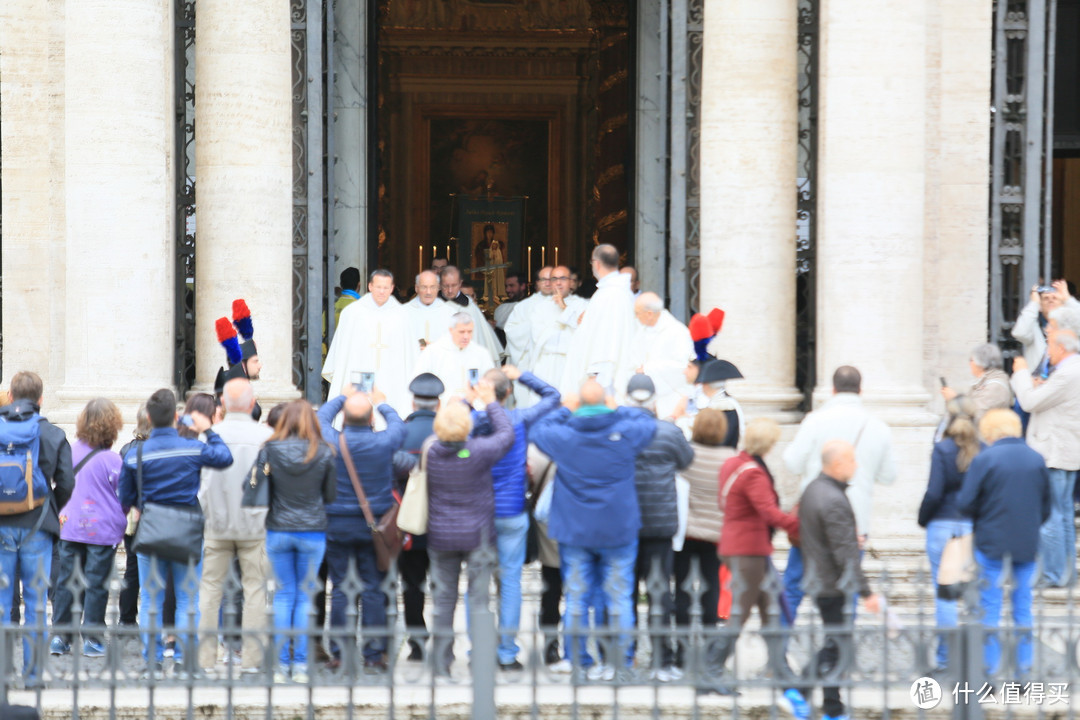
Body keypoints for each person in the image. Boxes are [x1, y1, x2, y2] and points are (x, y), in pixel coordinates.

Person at [531, 378, 656, 680]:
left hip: (575, 529)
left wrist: (565, 409)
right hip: (617, 528)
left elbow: (537, 430)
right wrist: (619, 408)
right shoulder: (624, 432)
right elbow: (648, 421)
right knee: (619, 597)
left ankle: (578, 660)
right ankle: (619, 661)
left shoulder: (566, 435)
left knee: (576, 597)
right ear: (605, 402)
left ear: (580, 406)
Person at [117, 388, 234, 674]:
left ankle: (153, 660)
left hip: (151, 529)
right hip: (188, 528)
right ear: (176, 416)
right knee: (187, 598)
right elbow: (224, 457)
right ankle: (183, 659)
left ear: (148, 417)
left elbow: (124, 499)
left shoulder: (136, 454)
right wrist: (208, 430)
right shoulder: (192, 448)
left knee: (151, 598)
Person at [782, 366, 896, 618]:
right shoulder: (877, 427)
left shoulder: (815, 420)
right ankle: (841, 652)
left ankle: (779, 649)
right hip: (854, 519)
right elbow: (889, 476)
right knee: (849, 585)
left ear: (832, 390)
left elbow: (791, 463)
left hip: (813, 517)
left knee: (792, 586)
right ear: (860, 390)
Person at [468, 365, 561, 670]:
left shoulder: (473, 421)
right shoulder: (519, 420)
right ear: (508, 393)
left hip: (479, 514)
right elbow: (553, 395)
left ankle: (478, 652)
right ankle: (507, 652)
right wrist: (522, 374)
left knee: (478, 585)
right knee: (510, 582)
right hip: (511, 511)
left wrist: (468, 400)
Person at [425, 382, 514, 676]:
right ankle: (482, 657)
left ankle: (441, 663)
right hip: (478, 536)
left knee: (443, 602)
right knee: (479, 600)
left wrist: (459, 401)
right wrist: (489, 402)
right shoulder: (478, 451)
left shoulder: (432, 452)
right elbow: (506, 434)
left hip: (442, 536)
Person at [316, 383, 406, 672]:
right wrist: (381, 402)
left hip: (337, 525)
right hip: (374, 527)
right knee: (373, 589)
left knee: (341, 588)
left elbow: (319, 420)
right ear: (370, 420)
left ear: (343, 418)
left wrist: (342, 396)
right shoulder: (384, 443)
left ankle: (340, 654)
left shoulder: (331, 440)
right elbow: (398, 426)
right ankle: (374, 654)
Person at [715, 418, 802, 706]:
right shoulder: (753, 473)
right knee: (739, 614)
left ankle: (782, 672)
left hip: (744, 547)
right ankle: (710, 671)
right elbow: (769, 513)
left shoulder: (734, 463)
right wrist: (800, 526)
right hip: (748, 551)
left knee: (772, 611)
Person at [957, 409, 1051, 676]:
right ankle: (1023, 670)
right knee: (1023, 607)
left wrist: (982, 519)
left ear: (989, 431)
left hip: (991, 541)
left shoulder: (985, 459)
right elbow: (1047, 507)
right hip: (1026, 542)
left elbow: (966, 503)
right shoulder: (1036, 459)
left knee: (990, 608)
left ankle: (990, 670)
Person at [0, 371, 75, 684]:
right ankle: (32, 674)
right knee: (35, 601)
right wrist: (50, 507)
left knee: (3, 602)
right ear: (41, 399)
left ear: (11, 397)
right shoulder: (54, 434)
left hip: (2, 524)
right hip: (39, 526)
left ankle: (3, 673)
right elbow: (68, 482)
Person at [798, 440, 881, 720]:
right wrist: (867, 591)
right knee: (837, 644)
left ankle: (827, 703)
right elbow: (845, 555)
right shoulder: (833, 499)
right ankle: (813, 697)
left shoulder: (813, 490)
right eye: (852, 460)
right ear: (837, 464)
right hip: (833, 583)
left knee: (837, 641)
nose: (856, 465)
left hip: (821, 579)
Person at [196, 378, 273, 675]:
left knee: (210, 589)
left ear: (223, 404)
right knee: (255, 589)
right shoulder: (267, 436)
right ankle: (252, 659)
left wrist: (206, 515)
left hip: (216, 524)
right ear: (252, 404)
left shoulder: (210, 436)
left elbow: (201, 486)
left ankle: (205, 659)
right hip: (256, 525)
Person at [257, 400, 337, 683]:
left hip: (279, 527)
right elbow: (329, 495)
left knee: (283, 595)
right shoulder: (324, 451)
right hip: (312, 529)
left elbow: (260, 489)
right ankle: (301, 665)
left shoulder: (269, 450)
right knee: (304, 597)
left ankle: (280, 664)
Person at [624, 375, 693, 681]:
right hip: (660, 524)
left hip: (625, 524)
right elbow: (686, 459)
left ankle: (624, 657)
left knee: (624, 593)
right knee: (659, 595)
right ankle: (661, 660)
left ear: (628, 398)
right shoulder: (668, 431)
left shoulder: (619, 430)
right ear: (653, 399)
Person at [50, 398, 126, 659]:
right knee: (96, 584)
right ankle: (92, 638)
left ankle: (60, 636)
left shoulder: (70, 452)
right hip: (102, 531)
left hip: (70, 526)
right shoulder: (113, 460)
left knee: (67, 582)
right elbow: (124, 495)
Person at [1010, 327, 1080, 587]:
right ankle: (1065, 574)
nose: (1047, 351)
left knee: (1051, 516)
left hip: (1054, 452)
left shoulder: (1068, 373)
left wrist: (1020, 373)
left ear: (1061, 348)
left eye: (1049, 345)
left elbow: (1028, 402)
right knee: (1062, 516)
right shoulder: (1070, 371)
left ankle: (1053, 574)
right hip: (1066, 451)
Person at [917, 397, 980, 672]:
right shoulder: (983, 449)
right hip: (971, 526)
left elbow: (934, 492)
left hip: (943, 523)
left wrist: (922, 517)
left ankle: (946, 658)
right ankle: (976, 657)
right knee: (973, 594)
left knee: (945, 595)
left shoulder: (942, 449)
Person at [674, 408, 735, 667]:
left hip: (686, 532)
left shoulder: (686, 454)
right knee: (711, 587)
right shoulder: (730, 458)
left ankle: (681, 650)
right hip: (715, 533)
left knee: (682, 591)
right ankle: (710, 650)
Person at [391, 373, 445, 661]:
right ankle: (445, 641)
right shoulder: (449, 430)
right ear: (438, 403)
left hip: (409, 523)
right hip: (444, 522)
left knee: (412, 585)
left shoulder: (400, 433)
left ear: (414, 401)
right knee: (444, 586)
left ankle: (417, 642)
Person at [322, 269, 419, 415]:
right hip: (359, 377)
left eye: (386, 288)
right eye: (378, 287)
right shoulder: (352, 313)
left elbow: (410, 356)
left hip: (392, 379)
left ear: (392, 288)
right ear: (369, 286)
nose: (381, 291)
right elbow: (342, 352)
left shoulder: (402, 316)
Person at [559, 245, 637, 398]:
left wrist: (596, 374)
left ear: (597, 264)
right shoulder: (615, 292)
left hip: (602, 379)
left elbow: (608, 338)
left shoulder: (611, 294)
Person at [523, 266, 588, 408]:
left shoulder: (583, 306)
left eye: (563, 279)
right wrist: (569, 324)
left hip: (570, 364)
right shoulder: (540, 308)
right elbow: (541, 340)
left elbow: (585, 337)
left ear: (571, 282)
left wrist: (565, 309)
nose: (558, 283)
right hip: (546, 364)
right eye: (554, 279)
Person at [631, 292, 695, 419]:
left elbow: (683, 367)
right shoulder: (641, 330)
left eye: (637, 313)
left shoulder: (677, 332)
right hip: (645, 397)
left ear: (649, 314)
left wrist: (648, 369)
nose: (636, 317)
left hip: (671, 398)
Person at [411, 312, 497, 400]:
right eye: (462, 332)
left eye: (470, 332)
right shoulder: (433, 352)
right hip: (443, 408)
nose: (466, 336)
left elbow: (491, 383)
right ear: (451, 330)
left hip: (475, 408)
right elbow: (419, 381)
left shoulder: (481, 353)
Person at [119, 405, 152, 627]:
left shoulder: (126, 449)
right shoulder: (158, 450)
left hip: (132, 517)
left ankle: (127, 619)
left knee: (132, 568)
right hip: (154, 516)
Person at [438, 265, 504, 363]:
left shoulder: (470, 306)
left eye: (454, 285)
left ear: (460, 284)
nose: (450, 290)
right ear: (439, 285)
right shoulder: (434, 305)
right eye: (446, 286)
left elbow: (481, 338)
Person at [941, 343, 1012, 424]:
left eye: (971, 360)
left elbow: (977, 415)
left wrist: (954, 399)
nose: (969, 363)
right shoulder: (983, 382)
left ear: (981, 362)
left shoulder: (995, 386)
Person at [1012, 281, 1074, 373]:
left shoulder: (1072, 326)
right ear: (1040, 306)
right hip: (1038, 382)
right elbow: (1019, 333)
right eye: (1046, 298)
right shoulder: (1033, 326)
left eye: (1054, 298)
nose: (1050, 300)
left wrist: (1068, 299)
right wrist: (1034, 303)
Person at [406, 270, 456, 351]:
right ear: (416, 288)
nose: (428, 292)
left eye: (432, 287)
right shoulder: (403, 313)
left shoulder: (450, 313)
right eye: (424, 287)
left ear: (438, 288)